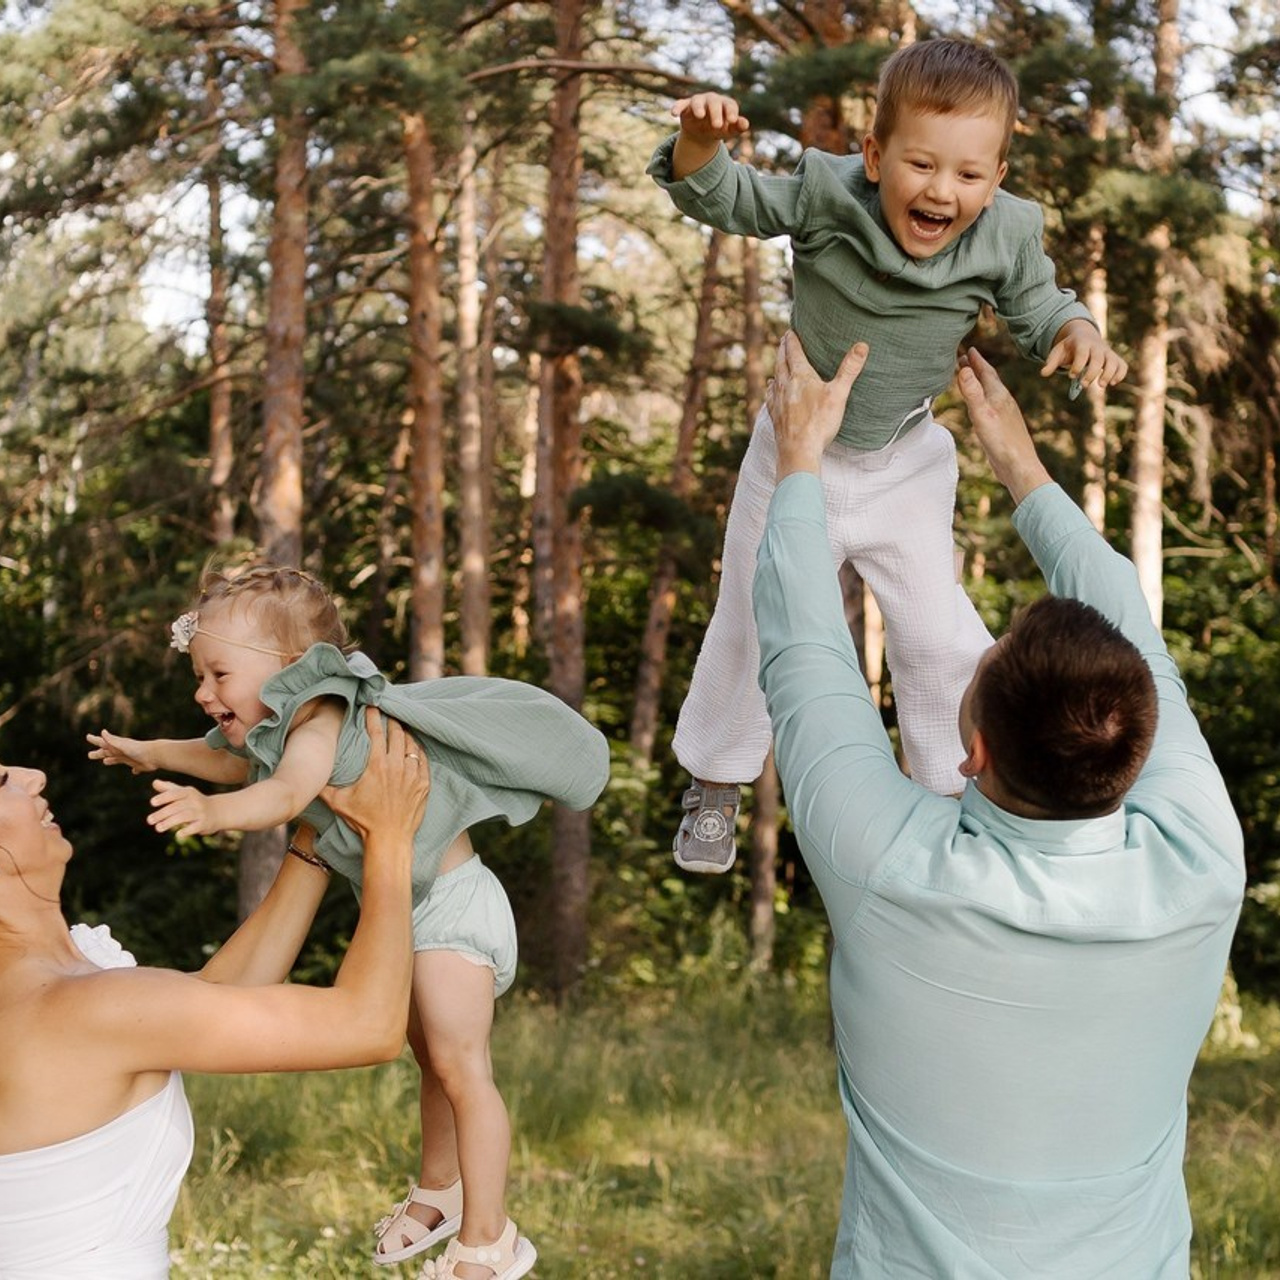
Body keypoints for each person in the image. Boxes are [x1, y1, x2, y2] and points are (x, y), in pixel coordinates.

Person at [756, 329, 1245, 1277]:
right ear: (1140, 752)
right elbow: (1134, 635)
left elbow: (804, 651)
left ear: (968, 751)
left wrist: (801, 460)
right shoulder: (1202, 860)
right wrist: (1021, 466)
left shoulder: (889, 865)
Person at [647, 38, 1129, 873]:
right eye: (920, 164)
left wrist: (1078, 331)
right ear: (874, 156)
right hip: (796, 453)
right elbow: (728, 199)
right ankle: (717, 782)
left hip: (906, 461)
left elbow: (1039, 303)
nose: (942, 191)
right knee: (754, 617)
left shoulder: (1006, 235)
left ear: (999, 176)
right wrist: (700, 142)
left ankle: (953, 793)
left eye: (969, 176)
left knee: (935, 627)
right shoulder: (828, 193)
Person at [86, 566, 610, 1280]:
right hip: (412, 909)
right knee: (434, 1061)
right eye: (200, 677)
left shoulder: (326, 717)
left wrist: (211, 816)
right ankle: (441, 1188)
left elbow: (286, 792)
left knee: (463, 1070)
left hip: (453, 902)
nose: (203, 694)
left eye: (217, 674)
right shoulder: (280, 726)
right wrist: (146, 752)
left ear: (289, 670)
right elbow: (223, 759)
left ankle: (490, 1240)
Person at [0, 709, 428, 1278]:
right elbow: (367, 1027)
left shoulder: (59, 984)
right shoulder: (77, 1005)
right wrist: (391, 838)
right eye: (2, 781)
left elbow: (212, 999)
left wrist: (319, 834)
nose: (34, 775)